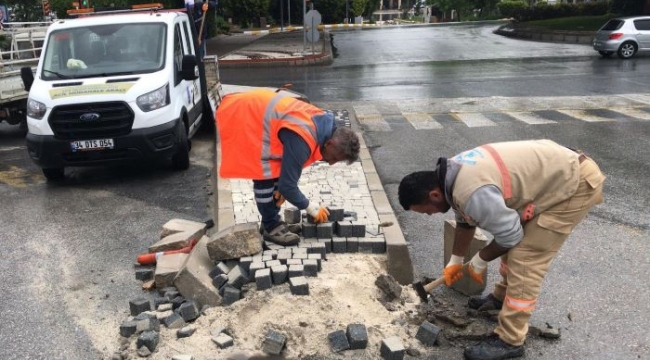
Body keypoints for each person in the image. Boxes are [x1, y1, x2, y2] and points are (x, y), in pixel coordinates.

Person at [398, 139, 605, 360]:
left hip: (574, 183)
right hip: (553, 175)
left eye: (425, 211)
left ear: (434, 195)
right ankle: (501, 299)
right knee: (511, 241)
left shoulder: (471, 191)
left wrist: (480, 259)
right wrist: (456, 260)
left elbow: (510, 235)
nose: (429, 215)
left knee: (525, 257)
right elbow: (465, 221)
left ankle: (510, 340)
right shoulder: (452, 176)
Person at [216, 89, 361, 246]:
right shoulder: (303, 138)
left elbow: (287, 169)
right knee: (264, 174)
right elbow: (288, 186)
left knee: (275, 175)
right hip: (243, 115)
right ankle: (271, 227)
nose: (331, 162)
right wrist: (310, 207)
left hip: (255, 113)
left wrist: (281, 186)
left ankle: (272, 220)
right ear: (330, 144)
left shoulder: (322, 125)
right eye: (334, 158)